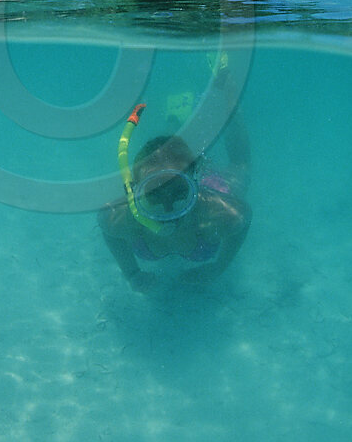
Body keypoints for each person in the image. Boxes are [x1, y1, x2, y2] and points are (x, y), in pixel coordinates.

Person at [99, 66, 251, 291]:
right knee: (170, 152)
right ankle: (174, 121)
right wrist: (131, 273)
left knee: (240, 165)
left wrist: (219, 267)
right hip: (179, 178)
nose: (169, 207)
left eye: (180, 192)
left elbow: (243, 220)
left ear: (195, 185)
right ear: (136, 188)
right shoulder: (119, 218)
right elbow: (108, 230)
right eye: (153, 193)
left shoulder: (220, 214)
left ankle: (227, 94)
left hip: (211, 186)